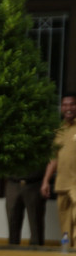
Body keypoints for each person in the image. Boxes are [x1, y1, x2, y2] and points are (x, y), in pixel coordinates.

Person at [41, 92, 76, 243]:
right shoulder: (58, 130)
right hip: (62, 184)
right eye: (65, 105)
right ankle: (67, 254)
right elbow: (53, 159)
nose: (68, 108)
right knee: (65, 227)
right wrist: (45, 181)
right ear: (61, 108)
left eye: (72, 104)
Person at [5, 161, 46, 247]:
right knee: (12, 222)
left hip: (34, 183)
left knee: (36, 224)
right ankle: (12, 254)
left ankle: (36, 255)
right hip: (13, 182)